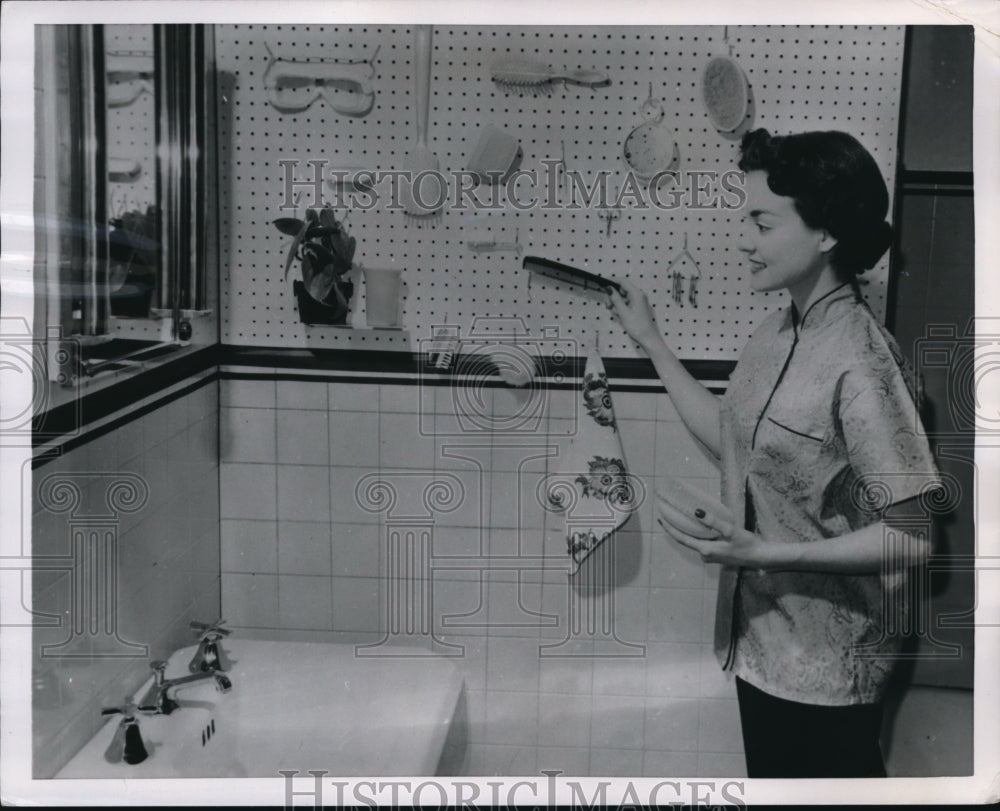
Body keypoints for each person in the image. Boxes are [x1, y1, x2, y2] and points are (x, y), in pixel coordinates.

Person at [607, 128, 942, 778]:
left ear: (825, 235)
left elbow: (914, 538)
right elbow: (734, 437)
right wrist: (651, 341)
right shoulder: (775, 331)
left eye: (761, 222)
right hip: (761, 649)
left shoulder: (862, 362)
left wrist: (768, 552)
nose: (743, 239)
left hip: (828, 673)